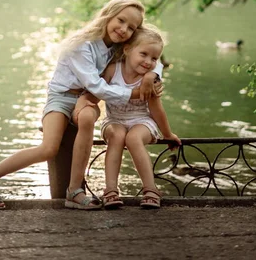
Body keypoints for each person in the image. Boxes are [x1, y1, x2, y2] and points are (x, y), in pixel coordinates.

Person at [0, 0, 164, 210]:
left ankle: (74, 191)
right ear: (108, 15)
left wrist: (151, 76)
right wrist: (136, 93)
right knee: (49, 148)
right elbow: (97, 86)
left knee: (89, 118)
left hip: (85, 98)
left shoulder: (119, 47)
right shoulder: (82, 44)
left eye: (131, 27)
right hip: (61, 97)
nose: (123, 29)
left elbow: (150, 51)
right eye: (121, 20)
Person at [74, 24, 180, 210]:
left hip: (142, 120)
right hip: (114, 120)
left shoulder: (150, 79)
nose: (148, 61)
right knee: (116, 135)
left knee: (133, 138)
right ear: (128, 49)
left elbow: (156, 110)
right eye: (144, 54)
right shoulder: (112, 70)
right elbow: (97, 92)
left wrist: (168, 134)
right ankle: (111, 191)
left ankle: (151, 190)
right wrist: (85, 101)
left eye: (154, 58)